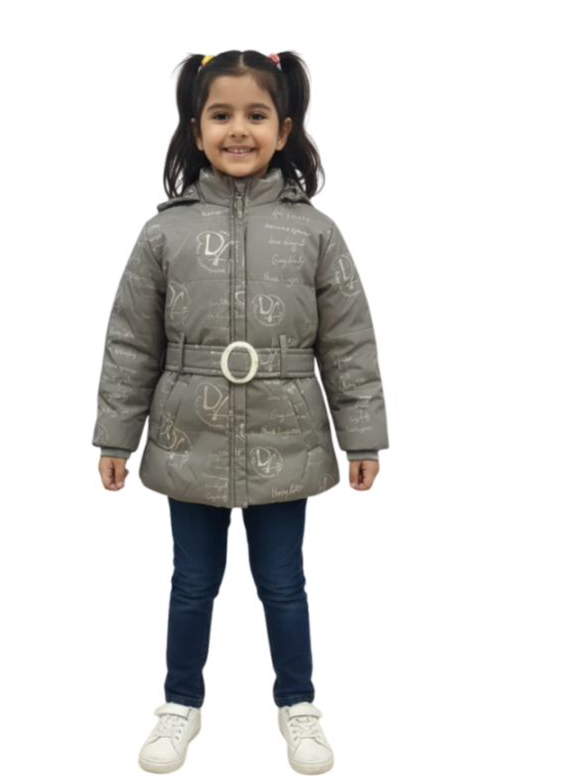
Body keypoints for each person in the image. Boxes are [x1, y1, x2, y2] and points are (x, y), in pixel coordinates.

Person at [92, 50, 389, 774]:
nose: (238, 130)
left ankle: (298, 704)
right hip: (186, 433)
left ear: (283, 130)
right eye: (220, 114)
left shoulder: (316, 233)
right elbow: (132, 340)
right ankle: (180, 703)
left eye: (256, 115)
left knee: (283, 583)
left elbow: (348, 340)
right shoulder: (163, 235)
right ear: (196, 129)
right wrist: (116, 437)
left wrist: (363, 437)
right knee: (192, 583)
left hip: (286, 434)